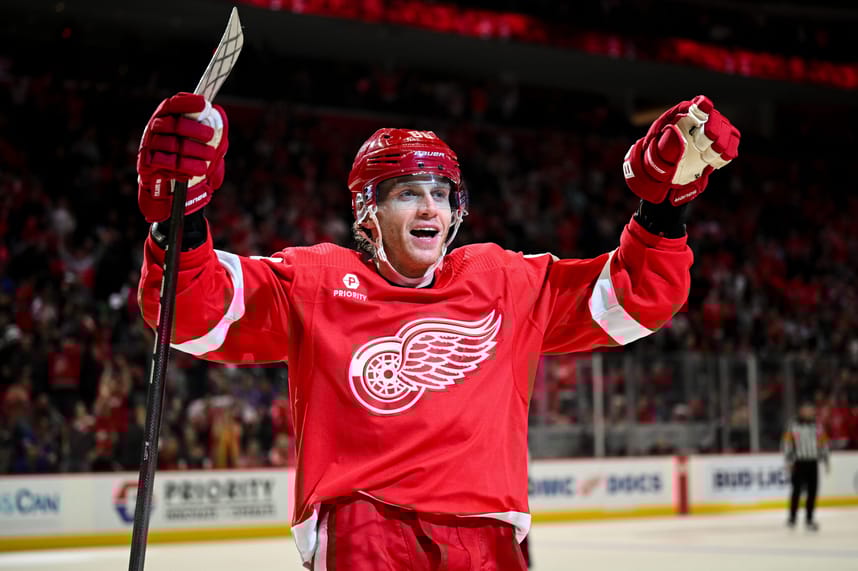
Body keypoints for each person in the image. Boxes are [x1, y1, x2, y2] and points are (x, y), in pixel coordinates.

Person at [136, 92, 739, 570]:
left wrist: (664, 209)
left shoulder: (502, 279)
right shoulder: (316, 281)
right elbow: (192, 314)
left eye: (440, 193)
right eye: (406, 193)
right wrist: (178, 219)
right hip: (364, 528)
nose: (430, 209)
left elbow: (635, 300)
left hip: (490, 536)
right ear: (367, 211)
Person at [783, 402, 830, 531]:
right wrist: (788, 462)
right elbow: (787, 444)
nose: (810, 412)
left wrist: (826, 459)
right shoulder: (793, 426)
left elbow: (823, 443)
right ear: (801, 411)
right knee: (796, 491)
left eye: (811, 410)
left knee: (812, 492)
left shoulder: (817, 426)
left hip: (812, 462)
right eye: (807, 410)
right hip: (798, 463)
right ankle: (792, 518)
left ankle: (809, 519)